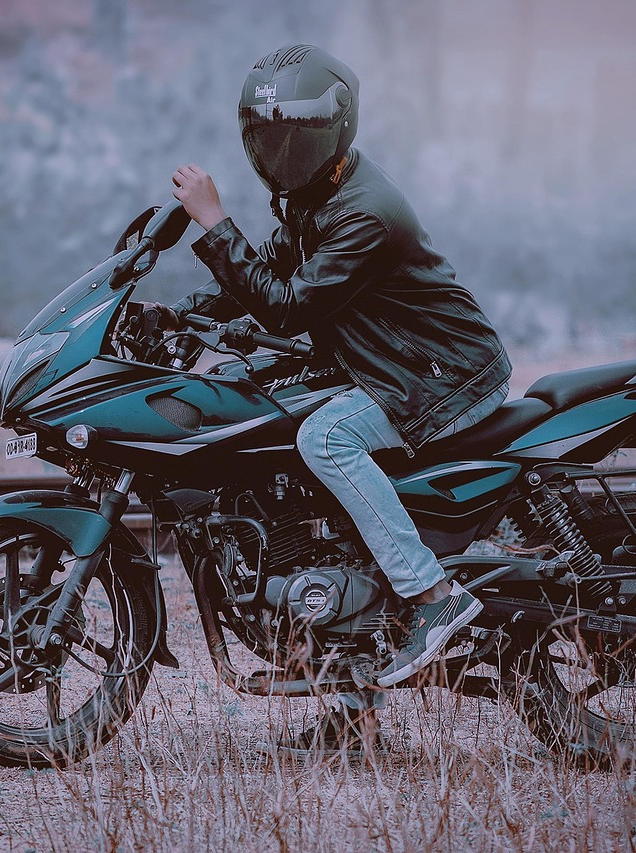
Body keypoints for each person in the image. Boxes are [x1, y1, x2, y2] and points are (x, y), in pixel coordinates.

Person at [154, 44, 511, 757]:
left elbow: (286, 308)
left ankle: (432, 596)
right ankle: (354, 707)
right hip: (398, 368)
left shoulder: (363, 212)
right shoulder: (315, 196)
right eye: (270, 138)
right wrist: (175, 316)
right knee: (303, 489)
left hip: (441, 379)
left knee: (324, 439)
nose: (282, 152)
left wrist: (215, 223)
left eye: (297, 138)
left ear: (333, 134)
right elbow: (269, 277)